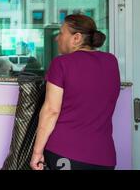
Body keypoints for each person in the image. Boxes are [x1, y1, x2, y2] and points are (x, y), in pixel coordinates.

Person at [30, 14, 120, 170]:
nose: (57, 38)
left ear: (76, 38)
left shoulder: (61, 63)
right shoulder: (111, 62)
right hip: (104, 157)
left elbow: (51, 111)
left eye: (61, 33)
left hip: (65, 152)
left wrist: (37, 152)